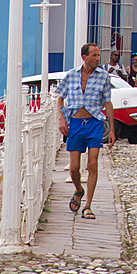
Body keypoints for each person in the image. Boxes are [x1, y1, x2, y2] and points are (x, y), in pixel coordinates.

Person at [56, 42, 115, 219]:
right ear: (85, 57)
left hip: (95, 122)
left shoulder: (103, 76)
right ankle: (79, 190)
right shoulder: (71, 76)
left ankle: (88, 205)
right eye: (94, 55)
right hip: (75, 123)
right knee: (74, 168)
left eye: (98, 55)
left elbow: (108, 102)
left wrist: (111, 129)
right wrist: (61, 118)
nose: (98, 58)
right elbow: (60, 98)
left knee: (93, 163)